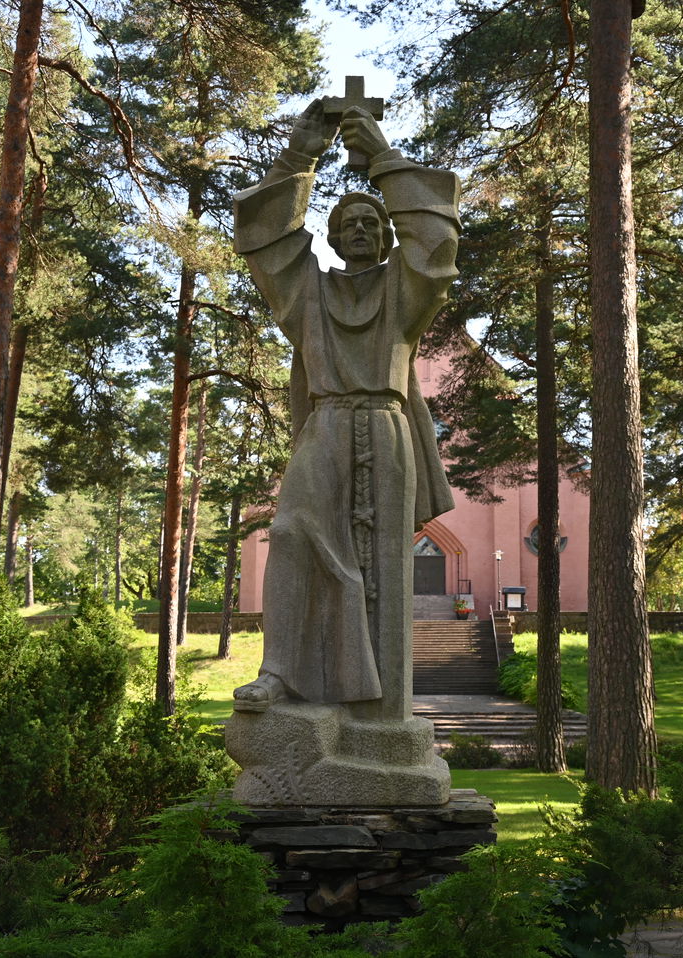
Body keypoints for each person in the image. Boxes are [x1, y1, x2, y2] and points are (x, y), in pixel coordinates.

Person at [231, 100, 459, 722]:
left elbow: (436, 245)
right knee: (288, 533)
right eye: (347, 222)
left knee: (387, 564)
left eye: (371, 221)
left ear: (387, 236)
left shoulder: (403, 291)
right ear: (330, 237)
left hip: (386, 430)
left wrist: (383, 158)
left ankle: (382, 718)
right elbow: (265, 241)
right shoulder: (309, 291)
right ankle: (278, 673)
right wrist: (299, 155)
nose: (359, 228)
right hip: (326, 424)